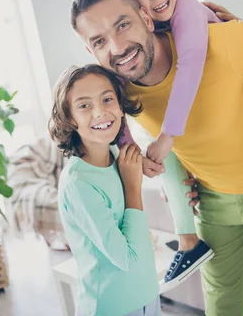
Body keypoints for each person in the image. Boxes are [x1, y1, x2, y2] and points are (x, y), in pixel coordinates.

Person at [70, 0, 243, 315]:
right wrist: (172, 178)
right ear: (92, 53)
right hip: (211, 203)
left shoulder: (226, 42)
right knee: (221, 304)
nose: (117, 46)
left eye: (122, 25)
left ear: (147, 18)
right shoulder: (117, 95)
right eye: (99, 41)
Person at [48, 64, 160, 316]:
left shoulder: (116, 156)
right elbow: (127, 259)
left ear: (121, 108)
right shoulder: (78, 183)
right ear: (69, 118)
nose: (100, 112)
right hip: (112, 306)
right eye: (84, 105)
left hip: (147, 295)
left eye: (107, 99)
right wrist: (133, 187)